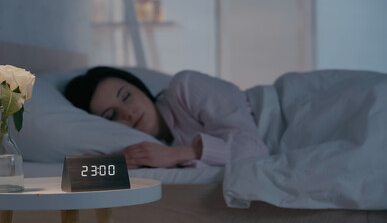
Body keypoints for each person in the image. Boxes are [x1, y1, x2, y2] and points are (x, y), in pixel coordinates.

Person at [65, 67, 269, 168]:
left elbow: (253, 150)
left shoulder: (185, 87)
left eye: (126, 96)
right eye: (111, 116)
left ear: (140, 87)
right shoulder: (140, 147)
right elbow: (78, 177)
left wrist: (178, 154)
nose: (128, 113)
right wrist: (118, 163)